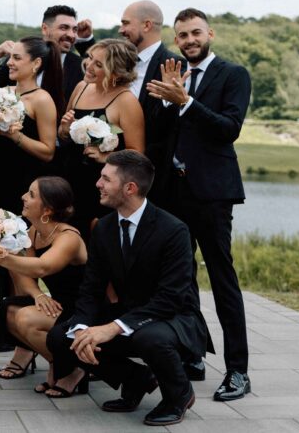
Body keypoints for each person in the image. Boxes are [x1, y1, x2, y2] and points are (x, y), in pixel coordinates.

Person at [46, 150, 210, 427]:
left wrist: (113, 327)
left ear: (130, 188)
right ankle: (135, 379)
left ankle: (179, 395)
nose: (98, 184)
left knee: (148, 338)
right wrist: (82, 327)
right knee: (61, 337)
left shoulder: (174, 230)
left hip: (174, 317)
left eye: (106, 179)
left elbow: (171, 298)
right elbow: (91, 288)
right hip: (129, 312)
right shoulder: (103, 228)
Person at [146, 8, 252, 402]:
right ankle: (193, 356)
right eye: (182, 36)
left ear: (210, 33)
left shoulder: (233, 74)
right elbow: (159, 131)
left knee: (222, 278)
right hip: (173, 193)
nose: (189, 40)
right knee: (180, 279)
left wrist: (186, 100)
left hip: (212, 193)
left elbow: (229, 129)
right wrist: (169, 99)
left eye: (194, 33)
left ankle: (238, 371)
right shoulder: (175, 73)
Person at [0, 36, 60, 346]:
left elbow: (48, 150)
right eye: (9, 58)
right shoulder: (2, 94)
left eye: (16, 58)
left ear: (36, 63)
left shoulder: (42, 99)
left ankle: (23, 326)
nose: (10, 63)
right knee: (0, 244)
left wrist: (15, 137)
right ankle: (7, 324)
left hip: (27, 182)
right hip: (0, 175)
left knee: (21, 250)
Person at [0, 177, 87, 398]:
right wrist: (38, 294)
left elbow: (43, 266)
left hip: (85, 308)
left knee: (25, 319)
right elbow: (26, 274)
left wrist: (6, 259)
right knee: (9, 311)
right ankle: (59, 364)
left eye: (31, 194)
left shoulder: (68, 237)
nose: (23, 197)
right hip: (61, 303)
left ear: (47, 209)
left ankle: (75, 370)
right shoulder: (34, 231)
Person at [58, 39, 145, 243]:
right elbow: (65, 136)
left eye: (99, 65)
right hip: (69, 181)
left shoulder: (126, 101)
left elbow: (138, 155)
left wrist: (106, 156)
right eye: (89, 58)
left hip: (100, 188)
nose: (88, 66)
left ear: (116, 72)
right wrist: (63, 129)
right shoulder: (80, 88)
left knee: (96, 247)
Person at [117, 0, 182, 208]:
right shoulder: (122, 62)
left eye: (126, 23)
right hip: (114, 174)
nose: (121, 29)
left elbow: (173, 125)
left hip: (156, 179)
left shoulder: (174, 65)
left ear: (146, 25)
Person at [0, 5, 94, 107]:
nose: (71, 35)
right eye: (64, 28)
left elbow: (101, 73)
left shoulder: (80, 67)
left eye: (74, 29)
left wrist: (86, 41)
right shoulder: (18, 59)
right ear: (45, 29)